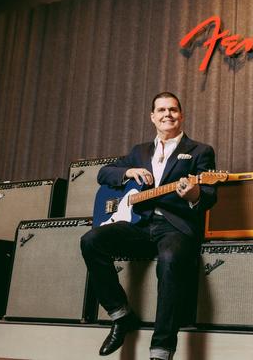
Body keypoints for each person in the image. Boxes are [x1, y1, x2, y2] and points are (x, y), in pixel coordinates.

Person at [81, 91, 217, 360]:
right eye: (162, 110)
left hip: (175, 227)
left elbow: (210, 196)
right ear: (153, 117)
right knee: (91, 240)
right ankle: (121, 315)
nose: (168, 114)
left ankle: (161, 350)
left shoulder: (200, 151)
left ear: (182, 115)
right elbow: (103, 174)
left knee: (169, 259)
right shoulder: (138, 151)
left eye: (173, 110)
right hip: (138, 225)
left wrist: (193, 194)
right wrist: (128, 172)